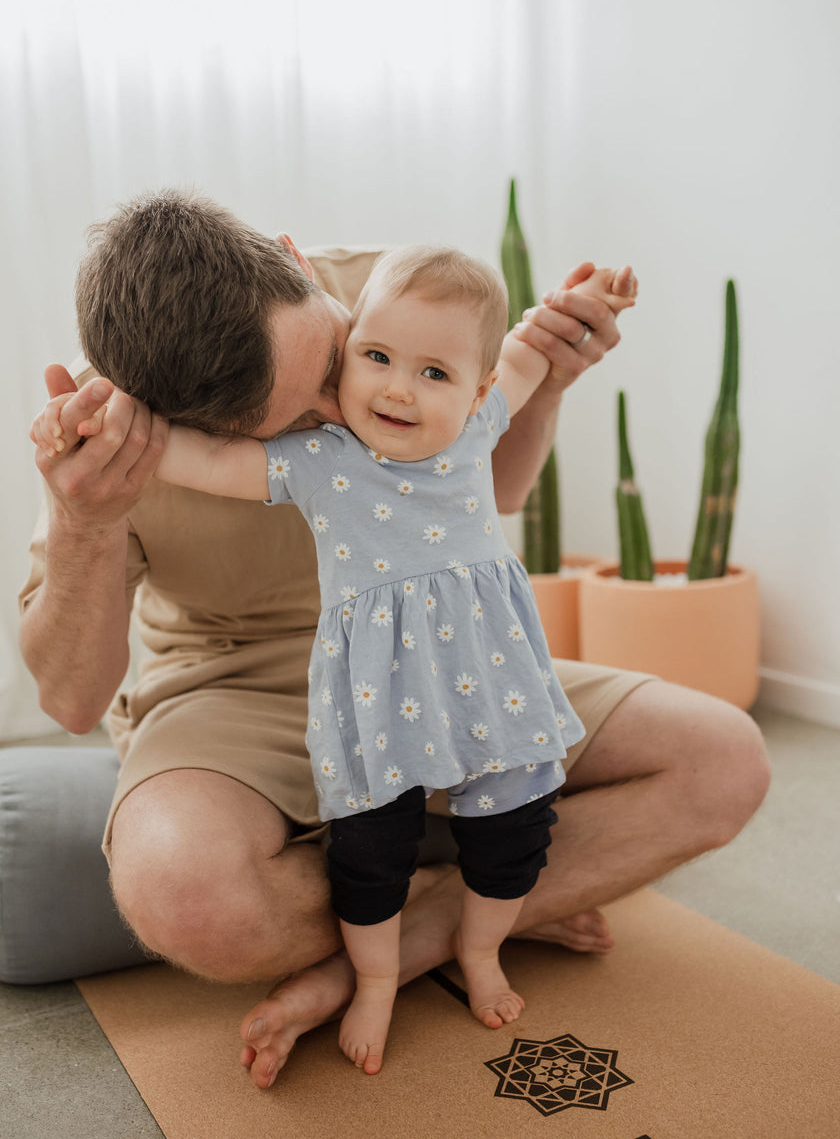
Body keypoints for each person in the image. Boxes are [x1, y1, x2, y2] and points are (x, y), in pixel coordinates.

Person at [19, 191, 770, 1090]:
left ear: (297, 260)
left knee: (725, 760)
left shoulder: (400, 297)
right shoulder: (111, 433)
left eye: (340, 366)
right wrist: (83, 520)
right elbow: (69, 702)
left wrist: (550, 380)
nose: (341, 418)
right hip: (229, 685)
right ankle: (500, 890)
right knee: (185, 896)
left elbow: (492, 498)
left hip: (450, 646)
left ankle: (390, 947)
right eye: (296, 422)